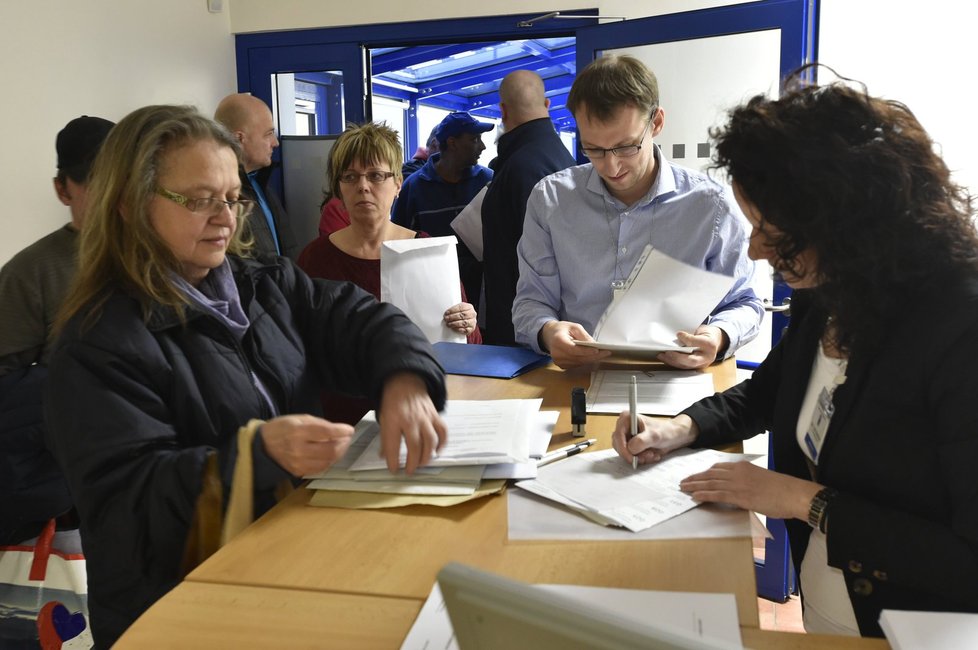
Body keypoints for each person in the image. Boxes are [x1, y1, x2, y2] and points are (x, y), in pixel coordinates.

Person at [43, 105, 448, 647]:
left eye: (233, 197)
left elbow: (359, 319)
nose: (226, 218)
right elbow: (130, 510)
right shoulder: (96, 341)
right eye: (200, 200)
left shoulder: (262, 284)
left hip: (289, 562)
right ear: (130, 205)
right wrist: (257, 455)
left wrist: (405, 379)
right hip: (182, 609)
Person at [613, 71, 978, 637]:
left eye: (768, 230)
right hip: (832, 594)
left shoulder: (959, 327)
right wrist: (679, 428)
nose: (756, 249)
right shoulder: (834, 285)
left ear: (843, 220)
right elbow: (769, 391)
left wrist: (806, 501)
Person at [512, 55, 762, 370]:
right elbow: (530, 302)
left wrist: (719, 334)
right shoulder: (550, 199)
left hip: (677, 380)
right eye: (594, 149)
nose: (610, 166)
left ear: (656, 123)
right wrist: (548, 332)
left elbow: (746, 303)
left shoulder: (711, 205)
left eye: (626, 147)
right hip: (578, 378)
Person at [298, 121, 481, 424]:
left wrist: (468, 323)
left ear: (398, 183)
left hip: (419, 410)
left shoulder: (427, 250)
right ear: (339, 189)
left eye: (376, 175)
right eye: (350, 176)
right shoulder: (315, 259)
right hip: (343, 418)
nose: (363, 186)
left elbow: (468, 343)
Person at [0, 115, 114, 545]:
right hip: (77, 492)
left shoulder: (167, 254)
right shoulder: (32, 272)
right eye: (94, 181)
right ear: (63, 189)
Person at [481, 70, 576, 345]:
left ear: (502, 110)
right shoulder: (560, 156)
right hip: (551, 323)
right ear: (547, 105)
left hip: (525, 329)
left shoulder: (519, 166)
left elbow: (535, 258)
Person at [392, 111, 494, 304]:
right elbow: (398, 244)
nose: (482, 146)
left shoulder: (489, 180)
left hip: (483, 296)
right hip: (432, 295)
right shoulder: (414, 188)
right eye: (474, 139)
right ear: (452, 143)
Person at [214, 93, 298, 258]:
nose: (275, 143)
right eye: (268, 134)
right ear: (239, 139)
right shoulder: (222, 199)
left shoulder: (262, 185)